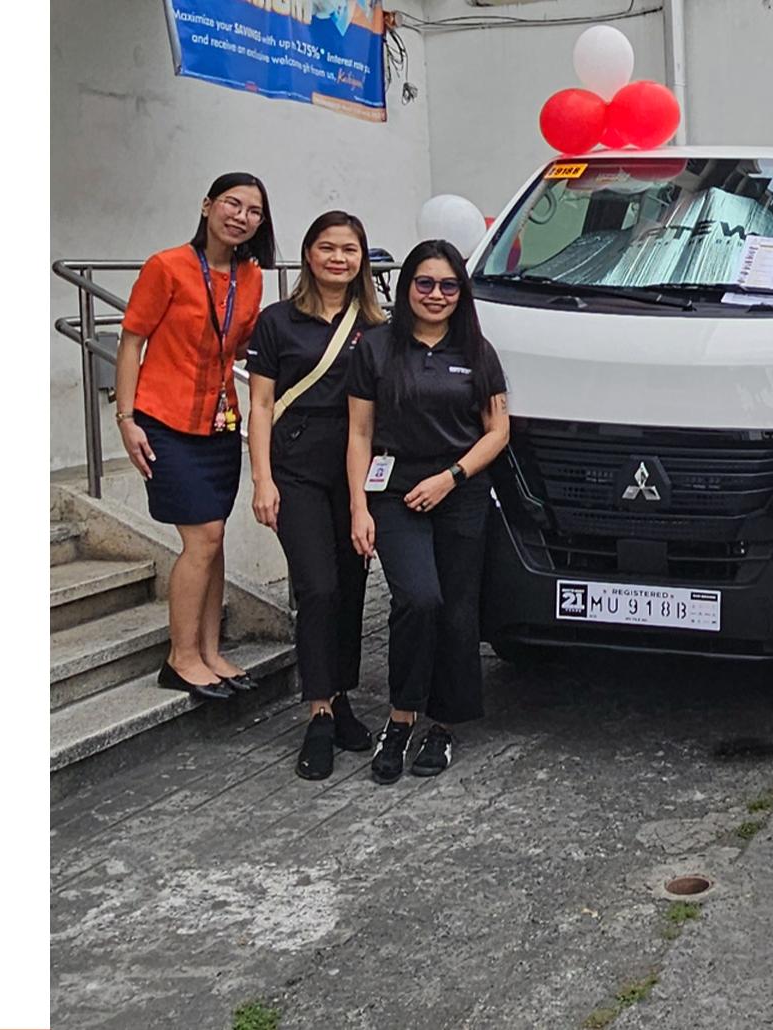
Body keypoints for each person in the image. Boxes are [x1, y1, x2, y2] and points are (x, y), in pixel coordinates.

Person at [347, 239, 510, 784]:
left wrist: (452, 477)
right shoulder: (374, 349)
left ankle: (441, 725)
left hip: (458, 489)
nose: (436, 294)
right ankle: (400, 717)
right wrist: (358, 508)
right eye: (424, 283)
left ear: (460, 291)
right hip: (394, 489)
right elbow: (360, 434)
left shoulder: (478, 352)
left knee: (458, 609)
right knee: (418, 599)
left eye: (447, 285)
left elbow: (498, 432)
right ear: (406, 287)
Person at [115, 172, 275, 701]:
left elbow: (248, 345)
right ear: (207, 205)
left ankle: (209, 651)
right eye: (232, 203)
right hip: (165, 420)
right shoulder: (167, 266)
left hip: (219, 421)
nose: (241, 217)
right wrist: (127, 419)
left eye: (253, 211)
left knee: (215, 537)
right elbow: (131, 342)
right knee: (200, 538)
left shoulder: (252, 276)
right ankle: (179, 659)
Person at [247, 211, 387, 779]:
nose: (338, 258)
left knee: (352, 585)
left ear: (362, 258)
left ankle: (342, 694)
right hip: (297, 468)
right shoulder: (278, 322)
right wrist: (261, 478)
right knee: (318, 585)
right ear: (308, 255)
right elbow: (259, 405)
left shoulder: (379, 326)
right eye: (326, 247)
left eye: (349, 249)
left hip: (358, 471)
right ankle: (320, 713)